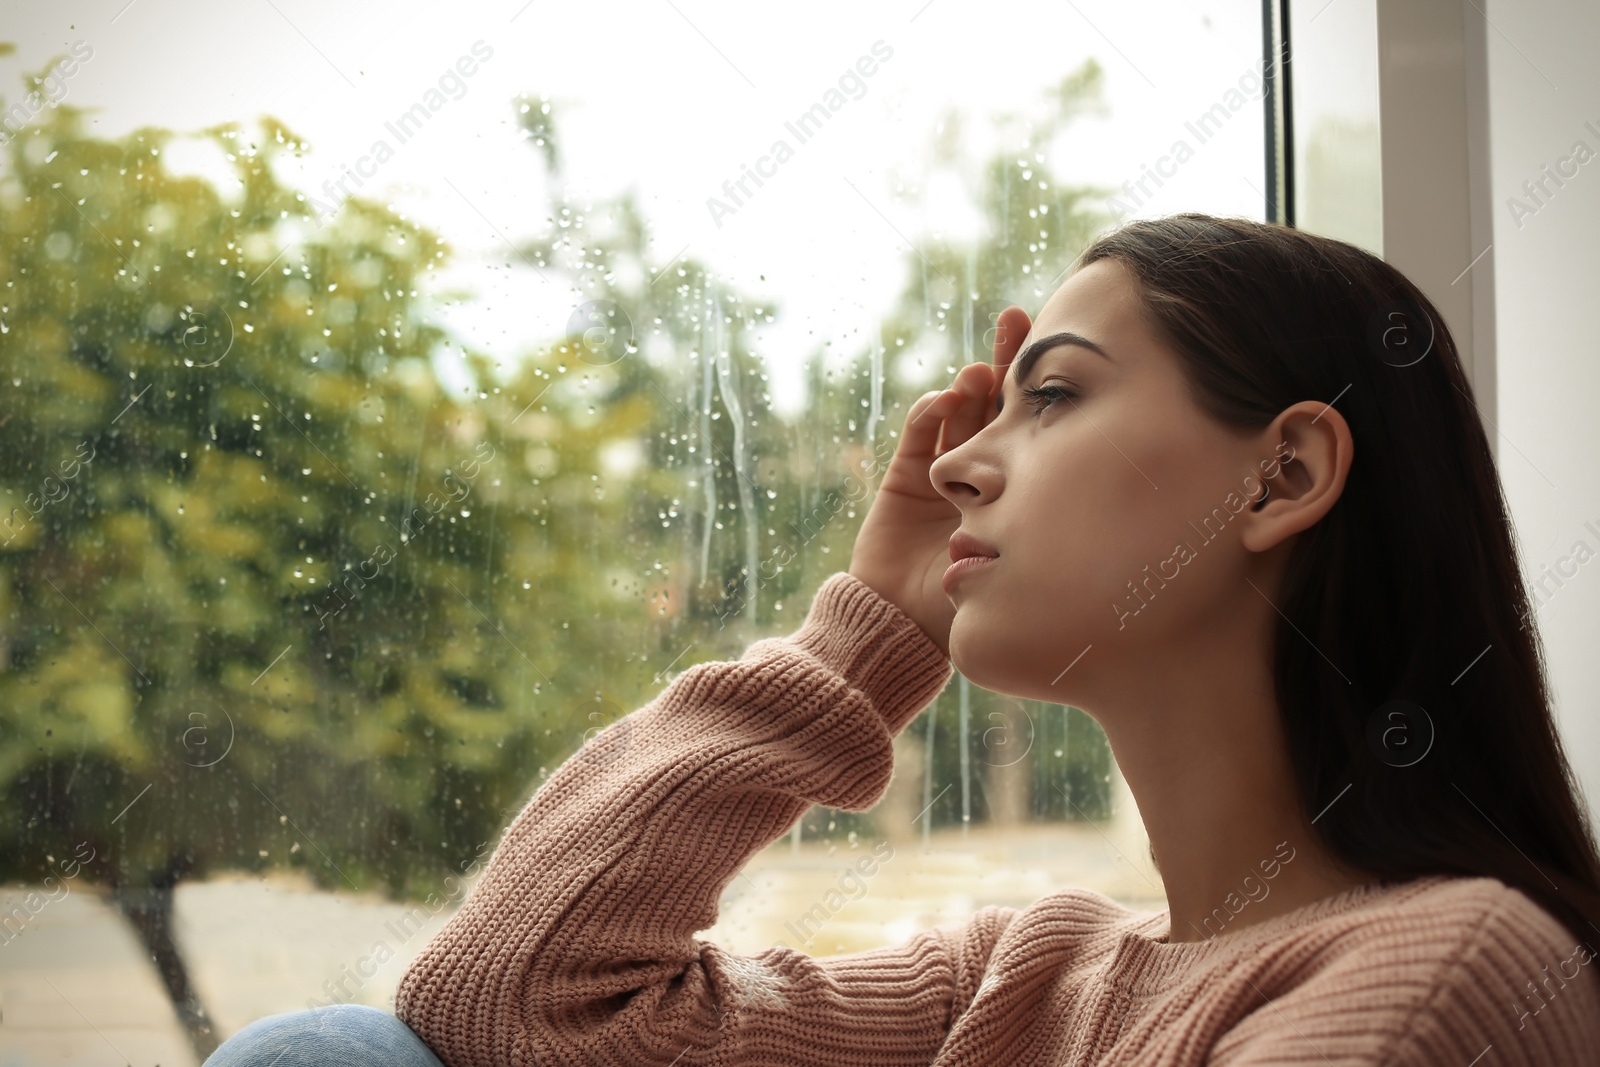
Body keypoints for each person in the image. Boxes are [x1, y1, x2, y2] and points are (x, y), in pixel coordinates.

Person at [205, 214, 1600, 1066]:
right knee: (333, 1056)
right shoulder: (1023, 976)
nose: (957, 469)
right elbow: (516, 1000)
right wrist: (861, 642)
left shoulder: (1446, 971)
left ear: (1284, 476)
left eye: (1052, 396)